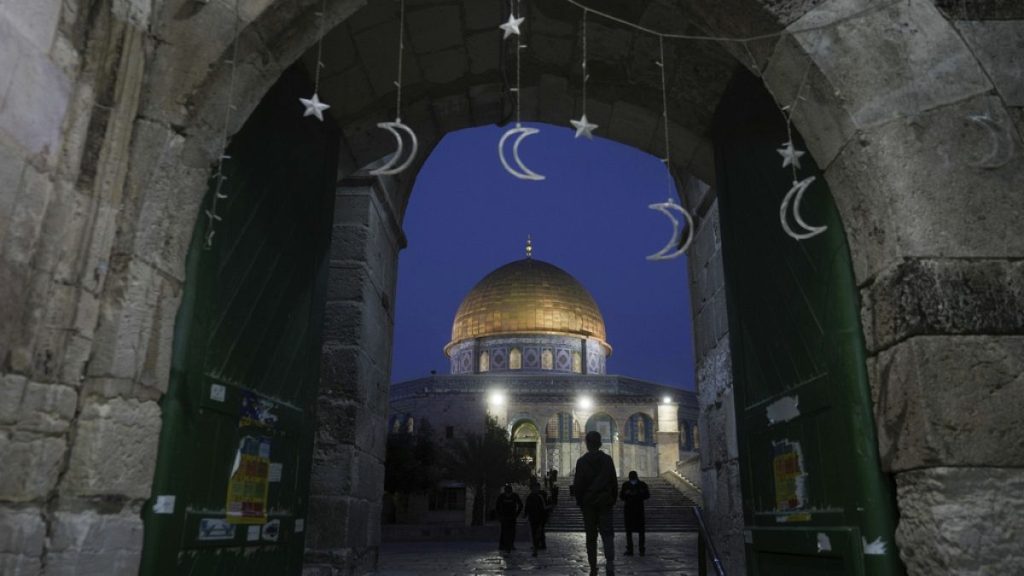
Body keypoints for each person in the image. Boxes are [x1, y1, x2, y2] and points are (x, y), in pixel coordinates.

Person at [572, 431, 618, 576]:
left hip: (589, 504)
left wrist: (581, 502)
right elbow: (614, 483)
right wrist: (611, 499)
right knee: (607, 534)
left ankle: (593, 567)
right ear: (599, 443)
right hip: (605, 502)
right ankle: (609, 563)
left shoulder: (582, 462)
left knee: (591, 537)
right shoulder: (607, 460)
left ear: (587, 443)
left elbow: (578, 485)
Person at [619, 470, 650, 556]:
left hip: (636, 510)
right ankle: (639, 549)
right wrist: (627, 494)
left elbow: (647, 495)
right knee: (634, 531)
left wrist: (638, 494)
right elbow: (621, 496)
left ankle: (634, 549)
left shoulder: (631, 485)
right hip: (632, 510)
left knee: (635, 531)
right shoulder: (638, 484)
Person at [494, 483, 523, 553]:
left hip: (512, 517)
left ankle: (511, 544)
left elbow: (520, 505)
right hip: (504, 517)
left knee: (512, 532)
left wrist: (516, 514)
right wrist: (499, 516)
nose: (508, 494)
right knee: (504, 531)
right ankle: (503, 545)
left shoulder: (514, 496)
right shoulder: (502, 496)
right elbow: (497, 507)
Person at [524, 480, 549, 556]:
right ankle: (536, 546)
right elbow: (527, 506)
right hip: (532, 517)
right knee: (534, 532)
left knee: (539, 532)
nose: (535, 489)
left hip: (540, 518)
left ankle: (539, 546)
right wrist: (525, 514)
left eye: (537, 488)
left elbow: (543, 508)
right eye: (534, 488)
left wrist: (544, 518)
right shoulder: (530, 497)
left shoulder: (540, 496)